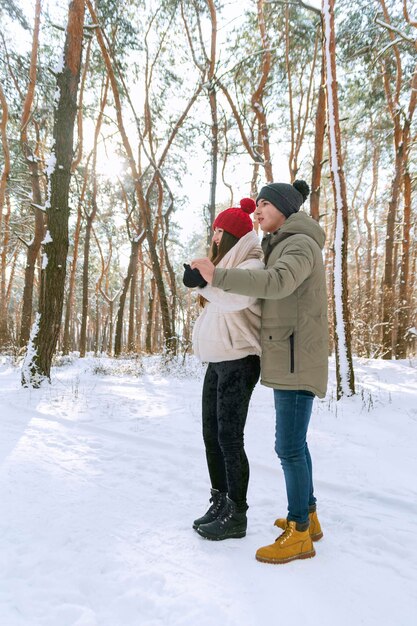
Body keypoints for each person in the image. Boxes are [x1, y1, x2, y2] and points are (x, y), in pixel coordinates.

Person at [191, 180, 328, 563]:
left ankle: (300, 531)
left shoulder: (298, 244)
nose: (257, 212)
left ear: (285, 207)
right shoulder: (282, 243)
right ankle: (309, 517)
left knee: (287, 447)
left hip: (296, 354)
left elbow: (275, 283)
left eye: (265, 204)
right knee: (293, 445)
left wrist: (215, 277)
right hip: (288, 353)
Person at [183, 198, 264, 541]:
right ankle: (220, 501)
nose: (213, 237)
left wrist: (204, 283)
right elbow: (218, 301)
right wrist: (202, 280)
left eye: (218, 231)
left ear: (230, 234)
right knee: (211, 435)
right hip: (218, 360)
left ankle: (237, 513)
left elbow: (236, 299)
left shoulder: (253, 265)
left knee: (230, 437)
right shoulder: (227, 265)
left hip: (240, 360)